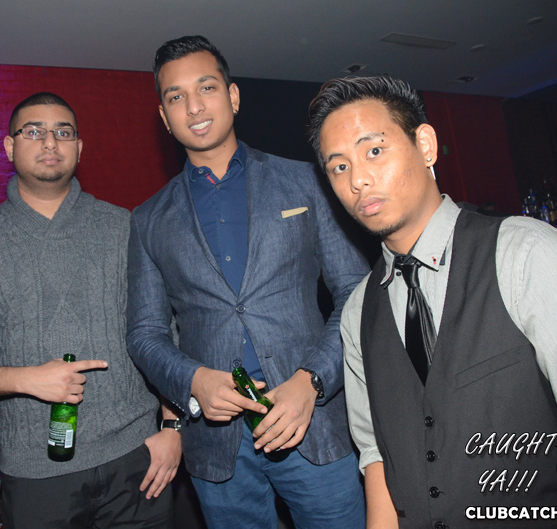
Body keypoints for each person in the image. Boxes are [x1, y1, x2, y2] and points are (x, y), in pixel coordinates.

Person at [308, 75, 557, 528]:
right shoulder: (360, 310)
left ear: (425, 145)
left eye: (374, 150)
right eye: (339, 167)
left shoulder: (527, 255)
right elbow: (378, 461)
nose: (358, 179)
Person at [126, 36, 369, 528]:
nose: (194, 106)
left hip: (312, 422)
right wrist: (193, 380)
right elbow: (144, 334)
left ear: (233, 96)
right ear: (164, 116)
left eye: (206, 88)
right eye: (176, 97)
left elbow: (356, 292)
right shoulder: (148, 219)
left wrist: (312, 380)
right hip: (218, 447)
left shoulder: (306, 182)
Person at [0, 92, 181, 529]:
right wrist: (25, 379)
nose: (50, 142)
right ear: (10, 147)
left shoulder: (124, 228)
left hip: (138, 460)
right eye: (34, 131)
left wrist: (173, 428)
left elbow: (165, 334)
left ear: (78, 147)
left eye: (63, 132)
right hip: (36, 477)